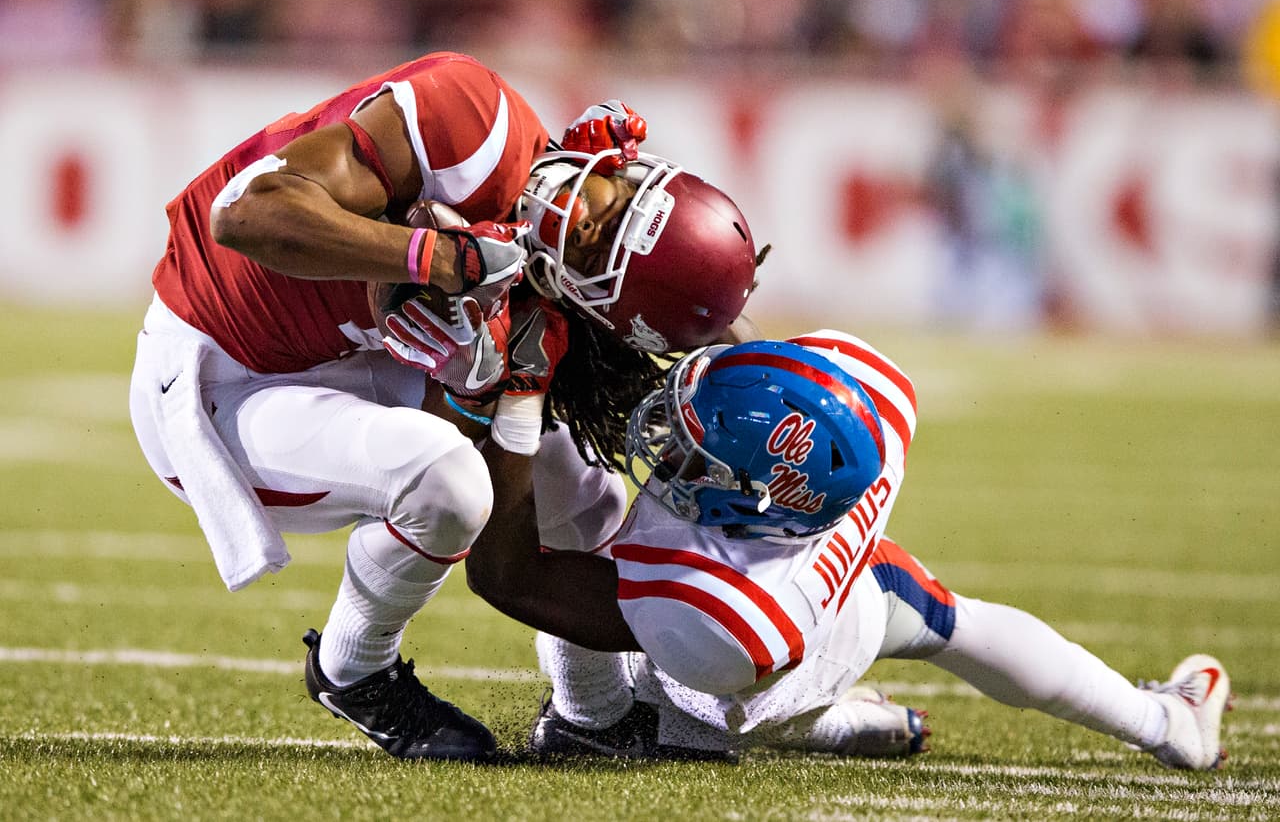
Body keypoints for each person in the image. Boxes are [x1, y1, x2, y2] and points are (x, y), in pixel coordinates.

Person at [128, 49, 759, 762]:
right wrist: (436, 259)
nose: (577, 213)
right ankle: (354, 667)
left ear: (593, 307)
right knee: (449, 478)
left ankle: (594, 711)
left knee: (577, 482)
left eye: (592, 248)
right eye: (612, 202)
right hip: (214, 375)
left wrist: (704, 632)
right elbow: (246, 214)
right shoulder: (473, 122)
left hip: (332, 363)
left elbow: (502, 560)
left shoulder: (537, 319)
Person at [463, 332, 1232, 770]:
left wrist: (522, 401)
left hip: (754, 655)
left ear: (741, 502)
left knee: (598, 544)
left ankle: (790, 716)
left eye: (690, 454)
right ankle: (1162, 723)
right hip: (790, 570)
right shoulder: (858, 396)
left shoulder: (706, 612)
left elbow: (511, 576)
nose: (664, 441)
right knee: (938, 613)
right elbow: (757, 367)